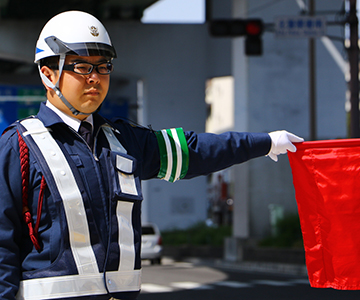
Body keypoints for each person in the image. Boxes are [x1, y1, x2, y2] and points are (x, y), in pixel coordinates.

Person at [0, 10, 303, 300]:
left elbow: (195, 151)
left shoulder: (123, 140)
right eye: (81, 66)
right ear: (47, 73)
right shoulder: (19, 147)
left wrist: (264, 143)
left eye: (103, 66)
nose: (95, 77)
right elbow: (2, 248)